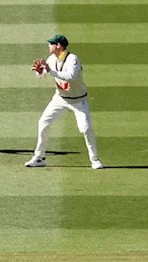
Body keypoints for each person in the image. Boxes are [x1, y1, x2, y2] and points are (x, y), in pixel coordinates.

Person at [25, 34, 102, 169]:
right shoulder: (51, 59)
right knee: (43, 122)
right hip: (60, 99)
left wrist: (50, 71)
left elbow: (70, 77)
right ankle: (39, 157)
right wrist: (39, 72)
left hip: (79, 101)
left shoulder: (73, 59)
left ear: (58, 45)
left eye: (51, 44)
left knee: (86, 128)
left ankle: (95, 160)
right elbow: (44, 74)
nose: (49, 46)